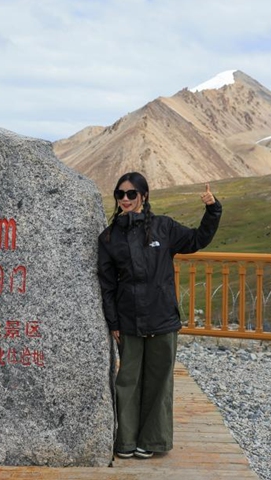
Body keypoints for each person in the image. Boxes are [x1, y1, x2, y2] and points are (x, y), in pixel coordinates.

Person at [97, 171, 221, 459]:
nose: (125, 199)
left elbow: (197, 239)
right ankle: (125, 441)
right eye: (120, 194)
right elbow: (107, 284)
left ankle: (152, 441)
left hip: (162, 318)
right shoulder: (109, 237)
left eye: (131, 193)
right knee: (128, 382)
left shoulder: (164, 227)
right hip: (128, 320)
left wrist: (212, 209)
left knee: (159, 382)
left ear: (144, 196)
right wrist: (113, 321)